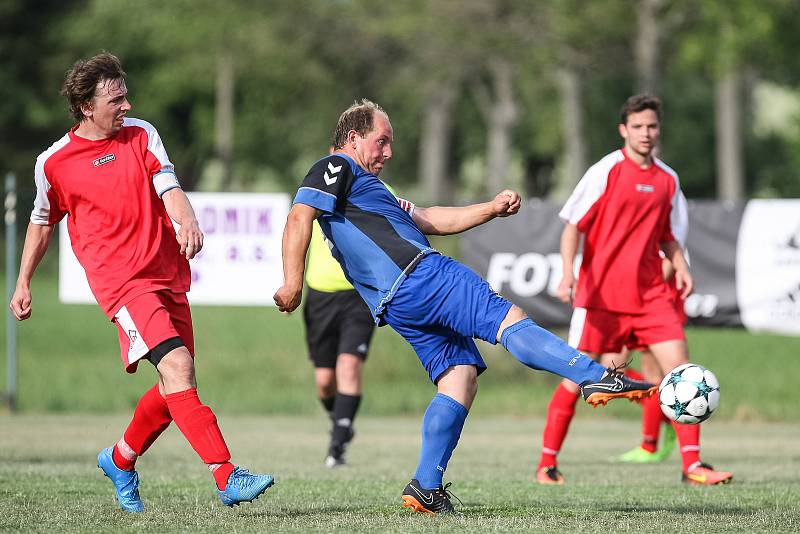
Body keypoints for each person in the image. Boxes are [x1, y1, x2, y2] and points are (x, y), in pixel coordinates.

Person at [274, 99, 657, 514]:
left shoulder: (370, 189)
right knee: (509, 319)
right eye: (381, 142)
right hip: (422, 274)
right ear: (352, 139)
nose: (388, 152)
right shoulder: (337, 167)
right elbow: (299, 217)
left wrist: (490, 208)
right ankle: (595, 375)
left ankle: (425, 485)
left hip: (396, 304)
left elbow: (428, 219)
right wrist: (293, 281)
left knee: (460, 378)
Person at [9, 53, 274, 513]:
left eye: (126, 95)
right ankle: (227, 475)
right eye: (116, 98)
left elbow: (167, 182)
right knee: (179, 372)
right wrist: (23, 281)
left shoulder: (142, 134)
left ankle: (120, 459)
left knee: (177, 389)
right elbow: (41, 221)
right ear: (87, 107)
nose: (126, 105)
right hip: (122, 284)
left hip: (165, 274)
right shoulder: (53, 163)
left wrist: (186, 217)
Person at [535, 94, 732, 486]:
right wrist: (566, 274)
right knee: (575, 378)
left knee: (682, 374)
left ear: (659, 130)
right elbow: (573, 224)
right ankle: (547, 464)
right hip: (602, 296)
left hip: (651, 296)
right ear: (624, 129)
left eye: (652, 127)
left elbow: (671, 237)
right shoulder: (606, 170)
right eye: (638, 127)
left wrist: (682, 267)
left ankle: (692, 465)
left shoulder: (668, 180)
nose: (646, 133)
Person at [304, 216, 375, 467]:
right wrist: (291, 284)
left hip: (359, 294)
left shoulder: (381, 190)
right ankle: (340, 419)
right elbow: (296, 235)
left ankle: (338, 444)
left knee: (349, 365)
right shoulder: (319, 190)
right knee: (324, 381)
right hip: (320, 297)